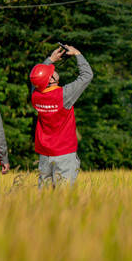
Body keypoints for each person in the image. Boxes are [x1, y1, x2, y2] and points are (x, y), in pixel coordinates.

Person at [29, 44, 93, 188]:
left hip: (44, 154)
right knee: (63, 197)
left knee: (44, 196)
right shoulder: (64, 95)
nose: (54, 70)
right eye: (52, 72)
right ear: (50, 80)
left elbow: (34, 79)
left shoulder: (35, 96)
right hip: (64, 153)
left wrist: (50, 59)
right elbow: (87, 76)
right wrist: (77, 54)